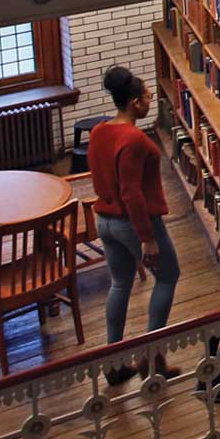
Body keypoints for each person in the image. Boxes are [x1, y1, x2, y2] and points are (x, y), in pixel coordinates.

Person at [87, 66, 181, 382]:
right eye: (147, 97)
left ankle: (114, 363)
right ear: (134, 102)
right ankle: (151, 359)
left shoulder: (100, 131)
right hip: (134, 223)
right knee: (168, 276)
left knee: (120, 283)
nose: (150, 101)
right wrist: (147, 237)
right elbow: (132, 193)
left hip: (104, 221)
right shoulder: (135, 139)